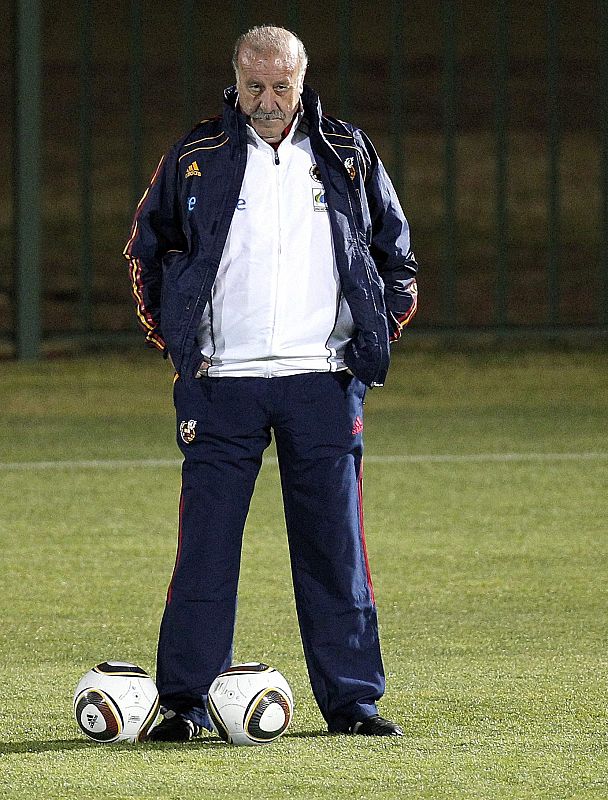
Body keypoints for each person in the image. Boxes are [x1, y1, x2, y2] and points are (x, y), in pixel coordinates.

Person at [124, 25, 418, 741]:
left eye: (281, 86)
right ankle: (186, 705)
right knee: (206, 550)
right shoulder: (197, 157)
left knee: (335, 547)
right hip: (223, 385)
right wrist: (181, 347)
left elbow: (395, 256)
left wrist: (368, 343)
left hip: (321, 381)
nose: (267, 100)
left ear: (301, 80)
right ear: (236, 79)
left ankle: (353, 704)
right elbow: (145, 252)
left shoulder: (346, 154)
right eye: (255, 86)